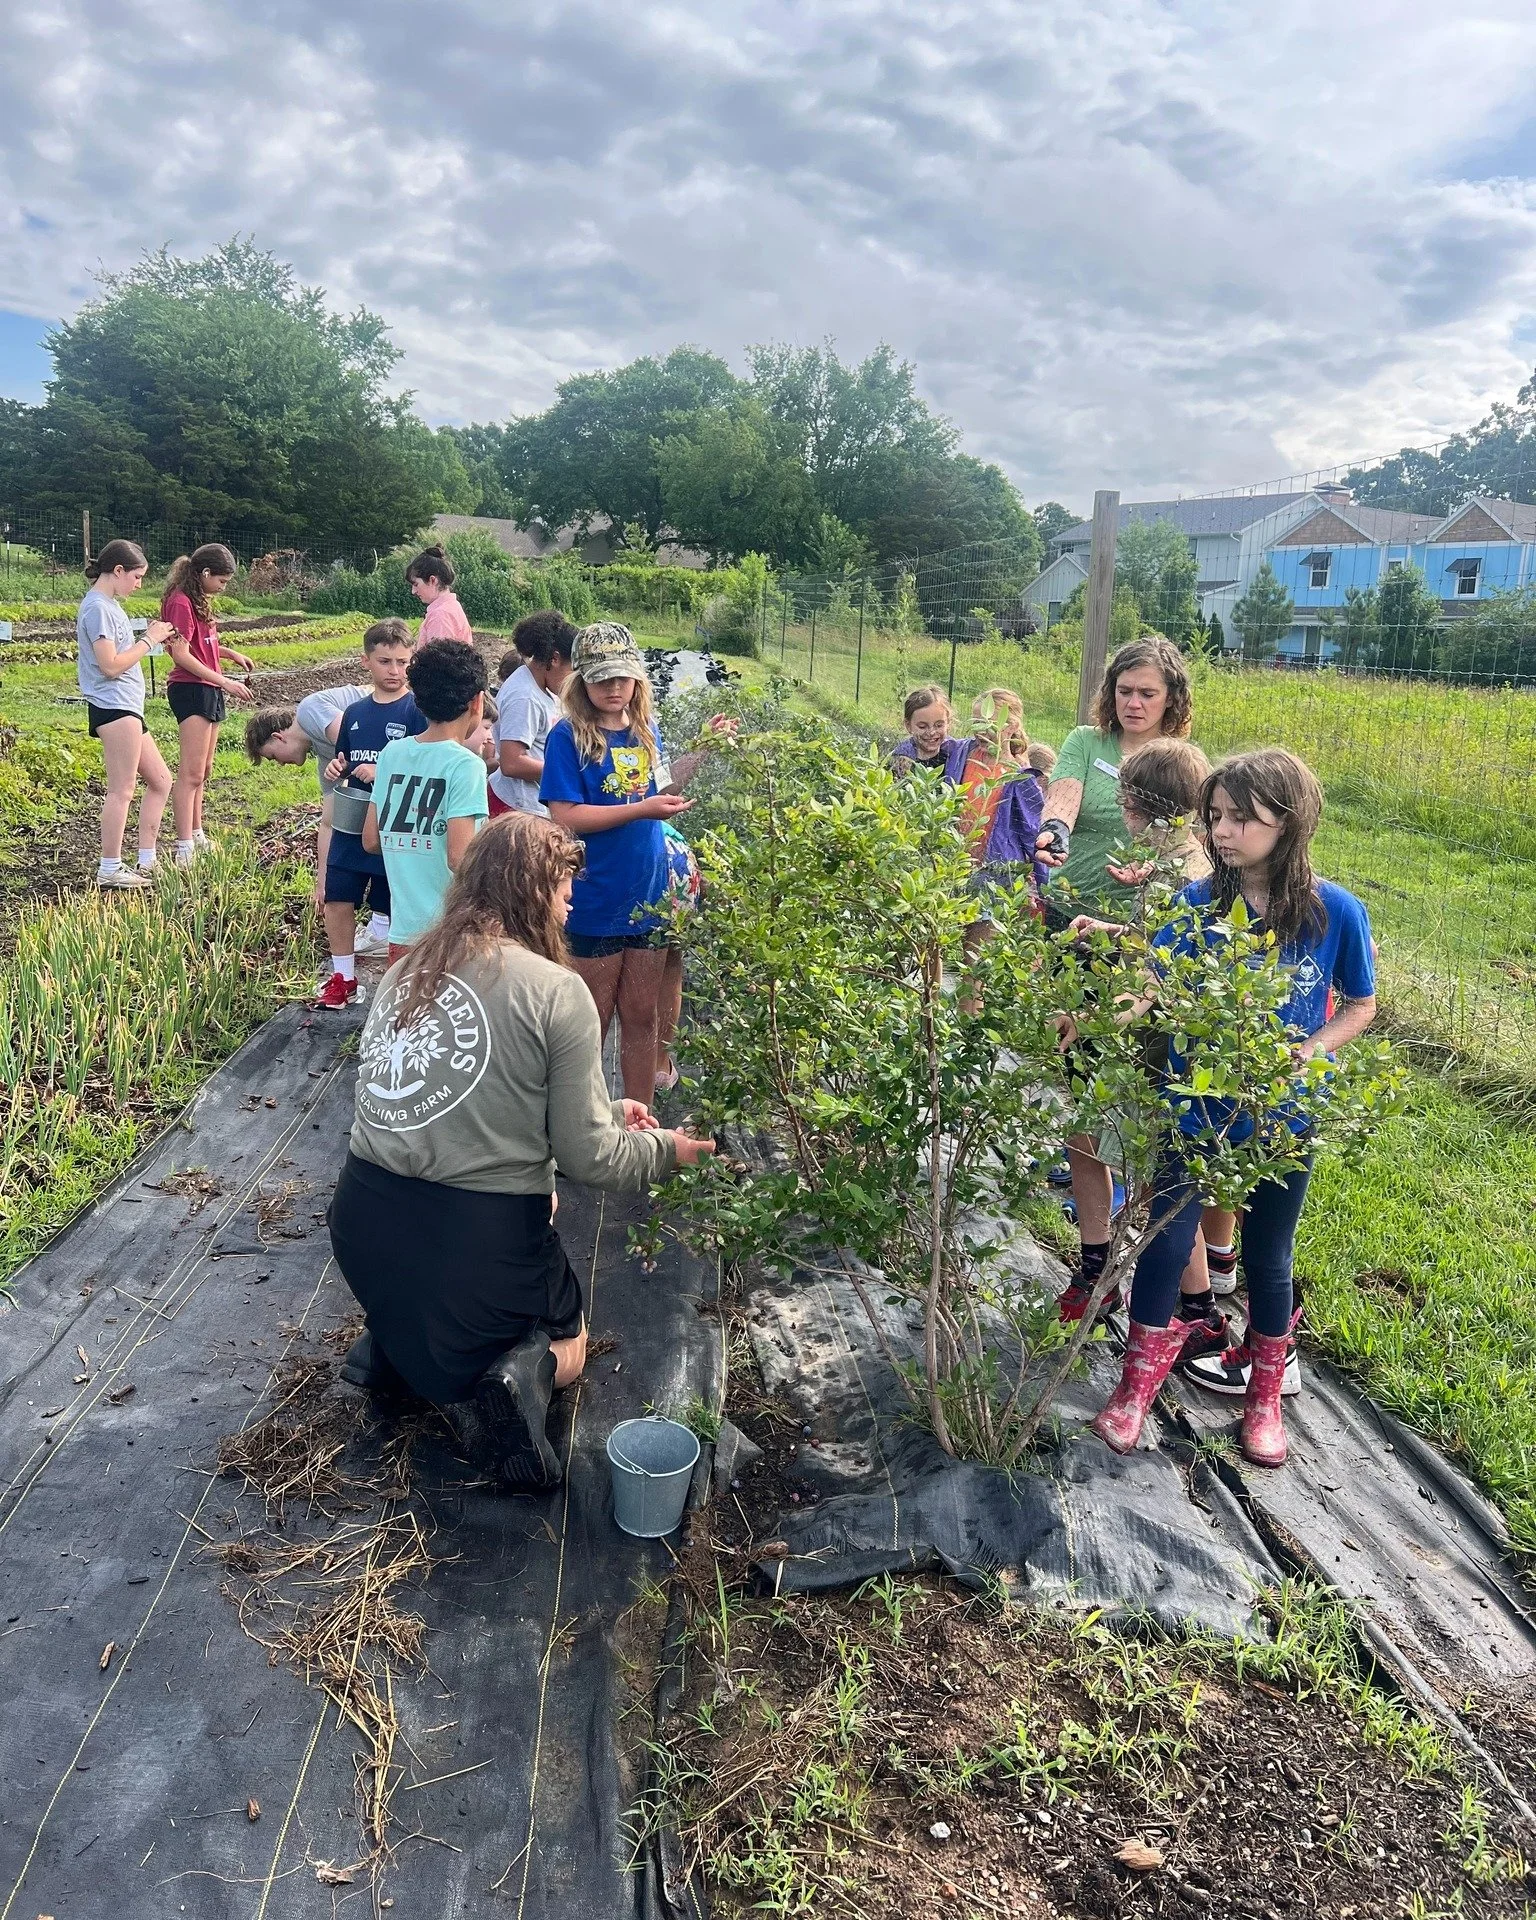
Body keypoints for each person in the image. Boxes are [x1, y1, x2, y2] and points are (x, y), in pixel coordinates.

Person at [329, 813, 716, 1491]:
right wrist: (669, 1149)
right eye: (565, 888)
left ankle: (393, 1347)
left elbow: (467, 1100)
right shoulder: (555, 990)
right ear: (534, 891)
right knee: (573, 1340)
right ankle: (514, 1378)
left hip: (361, 1224)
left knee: (480, 1244)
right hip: (470, 1238)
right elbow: (593, 1160)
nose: (571, 904)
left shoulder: (408, 967)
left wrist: (604, 1110)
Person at [1088, 748, 1377, 1468]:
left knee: (1267, 1253)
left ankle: (1264, 1398)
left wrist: (1310, 1051)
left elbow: (1361, 1005)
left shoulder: (1335, 912)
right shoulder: (1196, 907)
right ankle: (1135, 1388)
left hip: (1285, 1116)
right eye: (1216, 815)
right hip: (1195, 1109)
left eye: (1243, 817)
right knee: (1167, 1235)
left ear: (1291, 820)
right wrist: (1100, 1019)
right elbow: (1150, 983)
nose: (1224, 830)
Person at [1055, 738, 1223, 1330]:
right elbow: (1162, 942)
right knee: (1092, 1142)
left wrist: (1093, 1019)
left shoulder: (1187, 875)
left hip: (1153, 1041)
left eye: (1124, 797)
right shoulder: (1180, 861)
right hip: (1141, 1031)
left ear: (1135, 805)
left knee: (1159, 1180)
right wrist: (1110, 927)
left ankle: (1198, 1310)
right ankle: (1098, 1267)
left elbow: (1164, 976)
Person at [540, 622, 734, 1103]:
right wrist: (641, 809)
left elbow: (662, 790)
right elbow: (565, 816)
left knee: (643, 1017)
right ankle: (578, 1127)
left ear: (637, 680)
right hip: (596, 896)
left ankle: (639, 1120)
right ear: (581, 680)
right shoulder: (568, 737)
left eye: (622, 679)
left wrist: (703, 751)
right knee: (592, 1022)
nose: (613, 689)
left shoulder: (646, 730)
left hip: (650, 894)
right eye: (602, 679)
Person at [1035, 636, 1196, 927]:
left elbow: (1187, 838)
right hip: (1068, 903)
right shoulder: (1085, 741)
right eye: (1124, 691)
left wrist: (1155, 861)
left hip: (1134, 921)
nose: (1133, 704)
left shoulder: (1179, 763)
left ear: (1171, 697)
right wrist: (1055, 830)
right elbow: (1063, 800)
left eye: (1147, 694)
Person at [316, 619, 425, 1009]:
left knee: (393, 903)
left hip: (392, 827)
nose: (394, 671)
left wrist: (385, 771)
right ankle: (342, 977)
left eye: (401, 662)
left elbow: (423, 764)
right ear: (366, 661)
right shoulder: (355, 713)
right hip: (352, 819)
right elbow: (345, 762)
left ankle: (402, 987)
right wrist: (337, 769)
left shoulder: (417, 711)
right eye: (385, 662)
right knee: (337, 896)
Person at [365, 640, 490, 963]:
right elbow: (459, 858)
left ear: (418, 701)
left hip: (403, 934)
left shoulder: (392, 754)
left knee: (410, 1013)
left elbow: (371, 840)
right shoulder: (466, 765)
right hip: (454, 935)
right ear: (477, 702)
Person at [76, 540, 175, 889]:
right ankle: (110, 868)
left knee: (162, 781)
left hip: (127, 706)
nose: (139, 584)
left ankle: (146, 860)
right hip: (114, 705)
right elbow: (110, 666)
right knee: (122, 789)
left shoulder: (109, 605)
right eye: (137, 576)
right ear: (117, 571)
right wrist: (149, 640)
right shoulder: (98, 609)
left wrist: (147, 637)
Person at [245, 681, 374, 930]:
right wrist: (323, 885)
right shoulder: (325, 751)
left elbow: (362, 744)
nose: (280, 764)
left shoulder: (309, 710)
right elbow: (328, 822)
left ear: (278, 737)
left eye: (272, 757)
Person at [160, 543, 253, 864]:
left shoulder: (199, 600)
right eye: (222, 581)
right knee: (190, 774)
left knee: (204, 770)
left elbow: (203, 644)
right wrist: (225, 680)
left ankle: (197, 834)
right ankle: (184, 846)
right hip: (191, 689)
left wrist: (229, 654)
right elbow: (180, 654)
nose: (223, 587)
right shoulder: (181, 602)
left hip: (207, 687)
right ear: (205, 573)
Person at [489, 610, 576, 818]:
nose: (575, 680)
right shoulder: (524, 696)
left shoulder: (535, 686)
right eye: (573, 670)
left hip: (526, 804)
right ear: (555, 659)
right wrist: (566, 771)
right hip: (515, 808)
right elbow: (511, 762)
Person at [405, 545, 474, 644]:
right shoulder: (452, 607)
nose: (413, 591)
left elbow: (438, 658)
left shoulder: (440, 615)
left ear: (433, 580)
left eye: (416, 584)